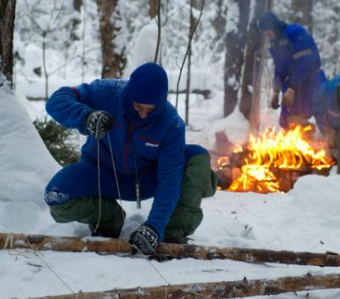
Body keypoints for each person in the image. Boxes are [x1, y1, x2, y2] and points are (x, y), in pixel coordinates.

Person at [43, 62, 218, 254]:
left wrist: (155, 226)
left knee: (196, 156)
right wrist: (86, 117)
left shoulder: (171, 123)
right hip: (100, 173)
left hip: (144, 179)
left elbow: (170, 180)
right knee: (56, 197)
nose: (143, 115)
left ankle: (171, 232)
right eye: (137, 106)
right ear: (129, 95)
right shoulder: (106, 92)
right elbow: (56, 101)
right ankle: (108, 217)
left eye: (150, 110)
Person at [258, 12, 327, 130]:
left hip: (311, 78)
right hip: (293, 82)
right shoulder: (274, 42)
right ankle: (300, 138)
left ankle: (329, 141)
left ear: (274, 26)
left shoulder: (295, 33)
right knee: (287, 119)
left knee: (320, 110)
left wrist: (292, 89)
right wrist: (276, 91)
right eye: (265, 32)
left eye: (268, 30)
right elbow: (280, 68)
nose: (267, 34)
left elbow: (305, 63)